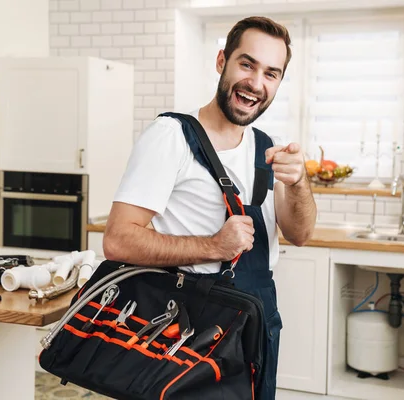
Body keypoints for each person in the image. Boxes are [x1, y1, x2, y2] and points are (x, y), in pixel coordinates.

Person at [103, 16, 317, 399]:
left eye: (271, 73)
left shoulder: (270, 146)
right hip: (189, 322)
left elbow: (300, 235)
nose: (256, 83)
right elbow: (118, 241)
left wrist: (300, 183)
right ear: (222, 61)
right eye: (247, 64)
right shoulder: (170, 137)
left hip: (258, 315)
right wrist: (212, 246)